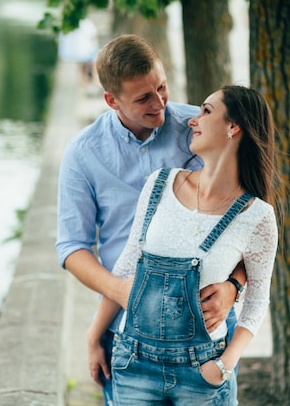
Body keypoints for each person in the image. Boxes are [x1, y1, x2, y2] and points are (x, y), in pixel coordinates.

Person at [55, 34, 246, 405]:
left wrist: (233, 287)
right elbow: (72, 246)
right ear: (111, 100)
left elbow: (248, 222)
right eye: (143, 98)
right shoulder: (82, 153)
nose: (159, 103)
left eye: (162, 87)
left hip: (206, 334)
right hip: (126, 335)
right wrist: (112, 305)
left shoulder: (202, 129)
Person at [86, 85, 279, 405]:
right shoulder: (159, 184)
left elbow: (257, 302)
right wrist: (94, 337)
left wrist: (224, 365)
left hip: (202, 375)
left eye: (206, 111)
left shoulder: (256, 216)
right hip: (134, 366)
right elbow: (125, 267)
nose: (193, 120)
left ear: (233, 127)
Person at [58, 17, 100, 89]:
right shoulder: (86, 22)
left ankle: (84, 80)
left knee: (83, 60)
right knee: (95, 57)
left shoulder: (66, 24)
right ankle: (95, 79)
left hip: (72, 53)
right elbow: (94, 34)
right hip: (84, 52)